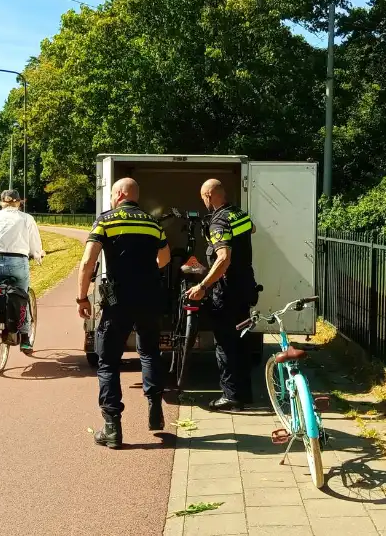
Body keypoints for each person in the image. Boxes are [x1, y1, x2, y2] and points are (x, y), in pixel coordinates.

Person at [76, 178, 171, 449]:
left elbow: (88, 261)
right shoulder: (152, 223)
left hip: (118, 301)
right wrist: (149, 268)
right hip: (149, 298)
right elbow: (163, 259)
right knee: (150, 352)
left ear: (118, 194)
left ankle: (112, 428)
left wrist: (82, 297)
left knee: (108, 362)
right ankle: (155, 409)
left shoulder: (106, 220)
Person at [186, 179, 257, 411]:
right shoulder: (239, 214)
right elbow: (252, 229)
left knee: (225, 344)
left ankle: (230, 396)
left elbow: (224, 257)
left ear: (208, 196)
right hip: (246, 287)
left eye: (203, 198)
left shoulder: (218, 221)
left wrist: (203, 286)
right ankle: (244, 394)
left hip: (227, 291)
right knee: (241, 342)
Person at [0, 189, 44, 352]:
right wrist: (37, 255)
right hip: (17, 262)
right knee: (23, 295)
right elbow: (35, 244)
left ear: (2, 202)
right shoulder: (26, 218)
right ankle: (25, 337)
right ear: (18, 202)